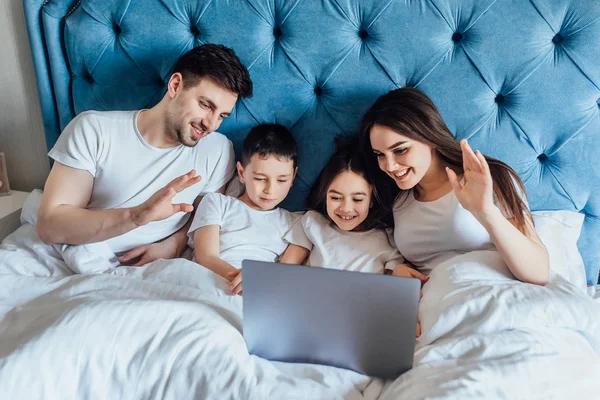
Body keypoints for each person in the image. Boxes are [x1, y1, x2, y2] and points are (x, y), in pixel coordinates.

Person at [37, 44, 252, 266]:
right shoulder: (94, 130)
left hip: (159, 265)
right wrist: (137, 216)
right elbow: (50, 225)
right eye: (206, 105)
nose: (211, 124)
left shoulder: (217, 150)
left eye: (222, 116)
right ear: (175, 85)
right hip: (81, 254)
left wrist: (174, 244)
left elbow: (204, 216)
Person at [357, 87, 549, 285]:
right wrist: (398, 271)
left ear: (429, 137)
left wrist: (485, 211)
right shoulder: (398, 201)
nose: (389, 165)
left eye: (400, 150)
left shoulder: (487, 178)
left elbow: (538, 273)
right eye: (379, 154)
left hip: (496, 292)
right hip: (440, 302)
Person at [190, 123, 299, 295]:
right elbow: (206, 256)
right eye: (260, 178)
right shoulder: (217, 203)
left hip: (259, 291)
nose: (270, 190)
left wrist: (256, 282)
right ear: (241, 173)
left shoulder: (295, 223)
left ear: (293, 177)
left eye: (282, 180)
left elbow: (285, 272)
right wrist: (242, 277)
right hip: (213, 279)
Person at [279, 139, 403, 275]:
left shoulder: (390, 240)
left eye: (357, 199)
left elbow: (391, 290)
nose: (346, 208)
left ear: (371, 199)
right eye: (336, 198)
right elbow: (284, 272)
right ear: (325, 194)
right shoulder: (312, 223)